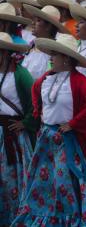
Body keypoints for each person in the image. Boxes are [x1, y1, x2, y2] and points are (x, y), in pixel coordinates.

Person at [11, 34, 86, 225]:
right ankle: (48, 216)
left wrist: (73, 123)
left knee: (65, 181)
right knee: (45, 181)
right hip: (47, 139)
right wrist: (39, 114)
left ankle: (71, 217)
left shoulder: (79, 81)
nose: (51, 58)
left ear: (66, 59)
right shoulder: (45, 79)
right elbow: (36, 95)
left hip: (68, 139)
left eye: (54, 55)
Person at [0, 32, 37, 225]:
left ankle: (15, 216)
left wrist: (26, 123)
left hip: (13, 133)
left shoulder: (21, 75)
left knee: (12, 178)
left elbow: (35, 105)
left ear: (6, 53)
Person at [22, 4, 71, 79]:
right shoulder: (32, 46)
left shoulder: (53, 55)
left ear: (48, 27)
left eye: (38, 21)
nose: (33, 23)